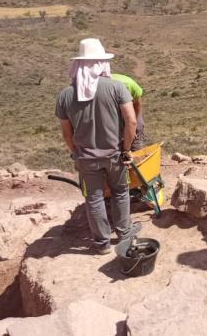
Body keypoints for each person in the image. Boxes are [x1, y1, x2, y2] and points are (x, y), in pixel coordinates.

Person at [55, 38, 140, 254]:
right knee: (120, 193)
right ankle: (125, 234)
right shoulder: (116, 87)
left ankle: (102, 244)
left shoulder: (65, 95)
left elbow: (67, 134)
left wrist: (76, 153)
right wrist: (127, 149)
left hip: (86, 158)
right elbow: (131, 122)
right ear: (102, 63)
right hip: (114, 155)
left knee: (94, 197)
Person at [111, 73, 146, 152]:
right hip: (113, 114)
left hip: (132, 111)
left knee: (135, 138)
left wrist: (134, 125)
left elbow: (137, 104)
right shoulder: (101, 86)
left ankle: (136, 157)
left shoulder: (128, 84)